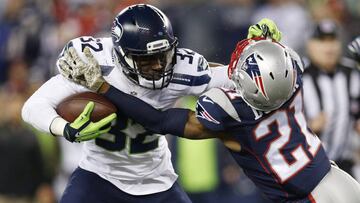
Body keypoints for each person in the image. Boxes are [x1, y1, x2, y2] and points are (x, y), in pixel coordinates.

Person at [21, 3, 281, 203]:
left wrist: (259, 50)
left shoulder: (181, 67)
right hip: (98, 176)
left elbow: (238, 77)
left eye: (163, 55)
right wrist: (62, 127)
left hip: (157, 180)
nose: (158, 65)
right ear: (122, 54)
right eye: (147, 59)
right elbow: (33, 107)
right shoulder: (93, 65)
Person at [61, 36, 360, 202]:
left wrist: (103, 87)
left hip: (304, 197)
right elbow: (267, 62)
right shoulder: (291, 71)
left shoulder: (231, 111)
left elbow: (159, 121)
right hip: (336, 177)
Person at [302, 20, 360, 176]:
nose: (329, 47)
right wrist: (308, 128)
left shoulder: (353, 73)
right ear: (310, 45)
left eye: (332, 40)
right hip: (309, 166)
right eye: (322, 41)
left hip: (346, 164)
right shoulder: (298, 77)